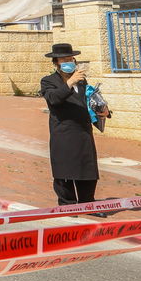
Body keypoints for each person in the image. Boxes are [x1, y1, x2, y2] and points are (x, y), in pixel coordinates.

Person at [39, 43, 106, 206]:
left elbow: (88, 101)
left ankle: (87, 203)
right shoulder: (48, 81)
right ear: (56, 62)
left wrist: (103, 110)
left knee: (87, 169)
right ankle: (67, 204)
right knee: (65, 170)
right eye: (64, 59)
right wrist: (69, 83)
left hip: (83, 131)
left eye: (70, 59)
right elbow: (53, 99)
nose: (68, 62)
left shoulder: (82, 82)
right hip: (63, 133)